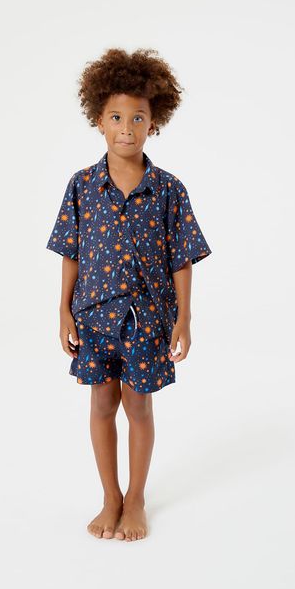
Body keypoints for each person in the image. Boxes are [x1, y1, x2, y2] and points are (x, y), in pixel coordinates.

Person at [46, 48, 212, 542]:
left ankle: (136, 498)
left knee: (138, 407)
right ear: (99, 120)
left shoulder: (169, 190)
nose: (126, 127)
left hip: (147, 320)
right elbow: (70, 252)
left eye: (138, 118)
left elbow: (182, 259)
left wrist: (184, 318)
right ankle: (110, 497)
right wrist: (63, 311)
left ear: (153, 123)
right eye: (116, 117)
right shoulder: (81, 186)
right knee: (101, 403)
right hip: (93, 319)